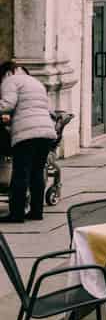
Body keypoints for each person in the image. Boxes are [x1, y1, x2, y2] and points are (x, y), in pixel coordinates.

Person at [0, 62, 53, 221]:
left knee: (20, 174)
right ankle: (37, 212)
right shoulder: (36, 82)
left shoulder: (10, 81)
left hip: (27, 134)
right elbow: (44, 109)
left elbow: (7, 104)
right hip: (46, 132)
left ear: (7, 73)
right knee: (37, 172)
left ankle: (16, 214)